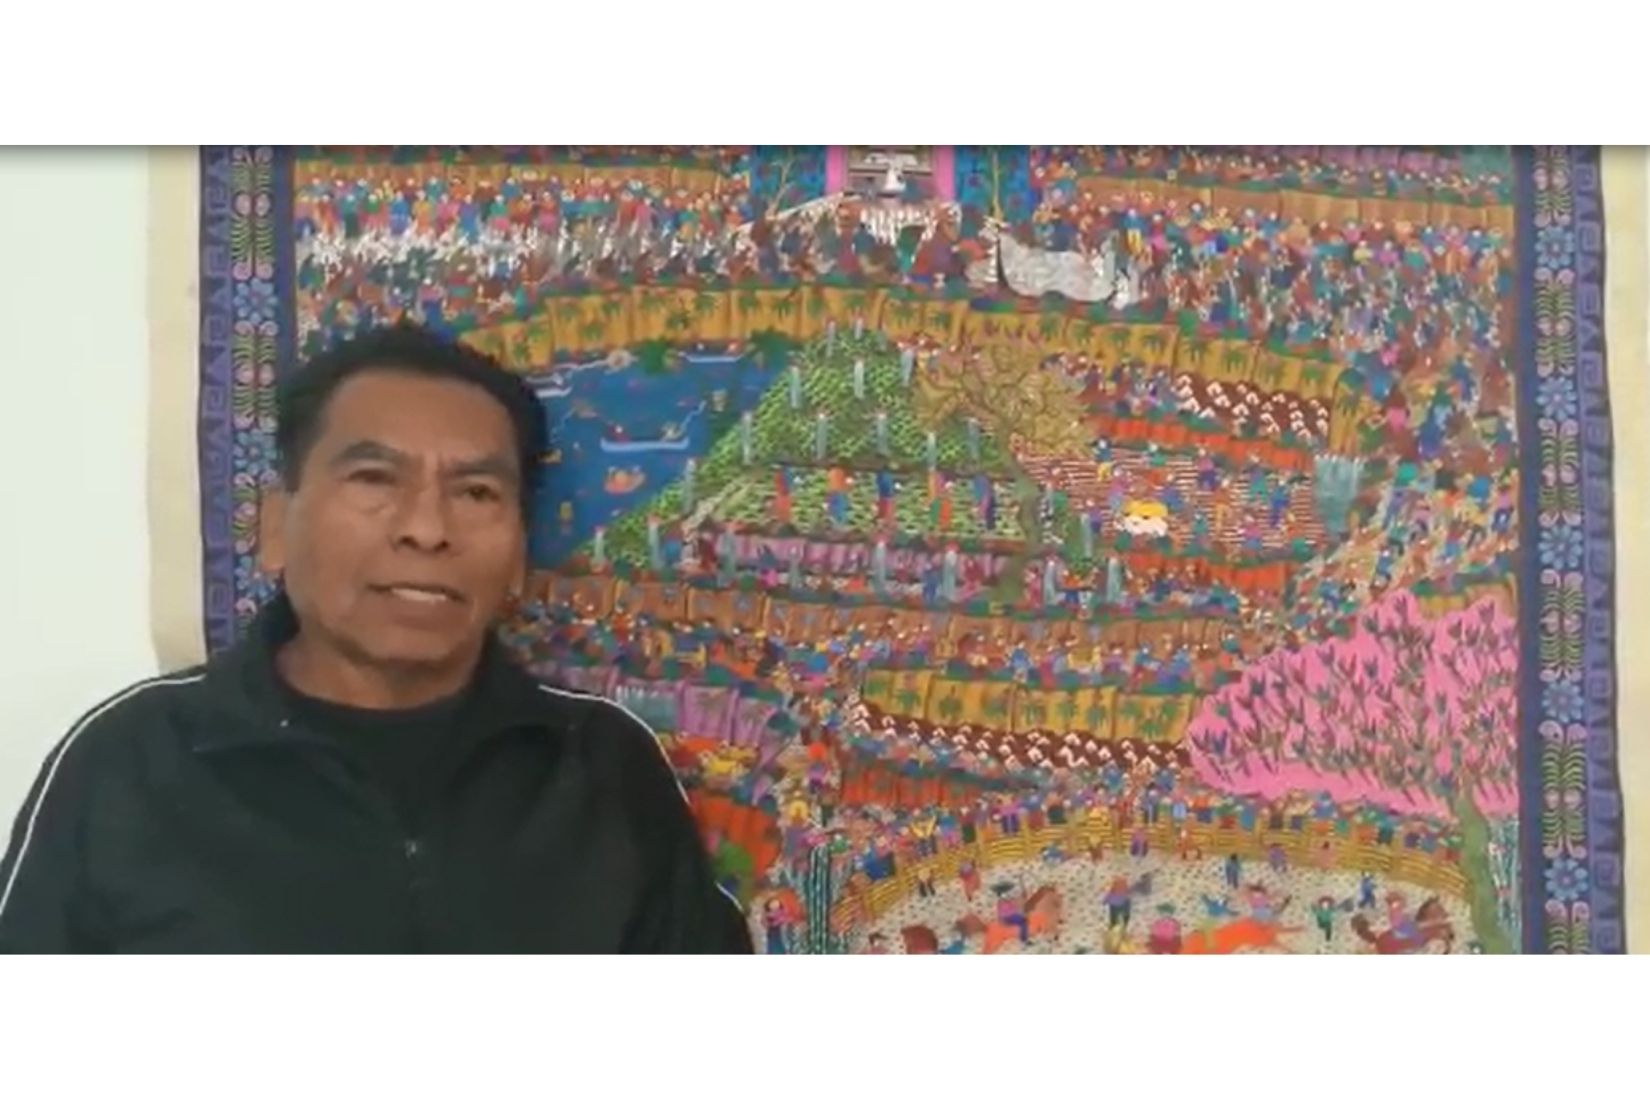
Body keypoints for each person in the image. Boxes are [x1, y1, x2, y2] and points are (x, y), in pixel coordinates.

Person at [0, 323, 750, 954]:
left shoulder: (601, 767)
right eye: (373, 480)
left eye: (476, 492)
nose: (425, 529)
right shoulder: (132, 757)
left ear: (520, 555)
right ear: (273, 527)